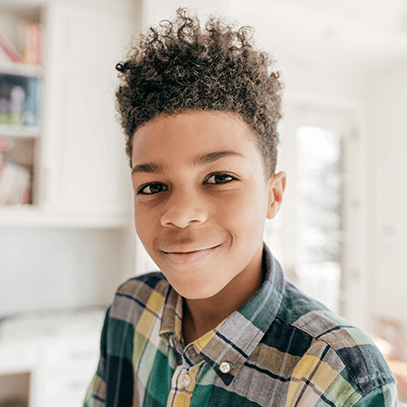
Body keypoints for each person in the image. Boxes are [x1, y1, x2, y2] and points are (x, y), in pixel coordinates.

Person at [84, 8, 398, 407]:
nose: (180, 214)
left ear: (274, 195)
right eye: (153, 186)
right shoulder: (129, 309)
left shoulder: (340, 376)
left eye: (219, 178)